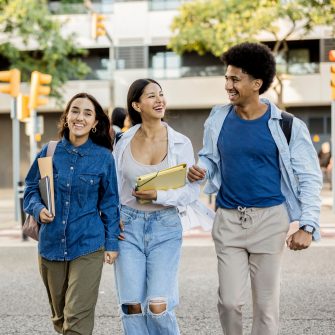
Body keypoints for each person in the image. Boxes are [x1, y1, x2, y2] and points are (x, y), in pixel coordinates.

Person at [187, 42, 322, 335]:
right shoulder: (218, 117)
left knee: (265, 309)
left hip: (270, 220)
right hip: (228, 220)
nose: (228, 85)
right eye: (227, 78)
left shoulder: (287, 125)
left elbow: (310, 177)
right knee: (230, 303)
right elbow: (210, 157)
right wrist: (201, 169)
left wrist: (307, 226)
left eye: (235, 79)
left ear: (256, 84)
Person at [24, 93, 120, 335]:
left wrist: (111, 243)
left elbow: (110, 202)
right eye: (75, 111)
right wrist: (38, 209)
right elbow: (31, 189)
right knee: (60, 317)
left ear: (95, 122)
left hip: (88, 244)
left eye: (88, 113)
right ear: (66, 117)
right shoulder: (49, 151)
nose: (80, 117)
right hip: (51, 244)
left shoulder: (103, 158)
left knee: (77, 316)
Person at [113, 78, 199, 335]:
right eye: (151, 96)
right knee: (132, 306)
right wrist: (111, 219)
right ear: (137, 105)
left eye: (160, 94)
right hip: (127, 227)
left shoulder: (181, 142)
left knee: (158, 305)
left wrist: (159, 195)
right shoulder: (123, 142)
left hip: (166, 226)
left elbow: (191, 192)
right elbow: (114, 189)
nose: (159, 99)